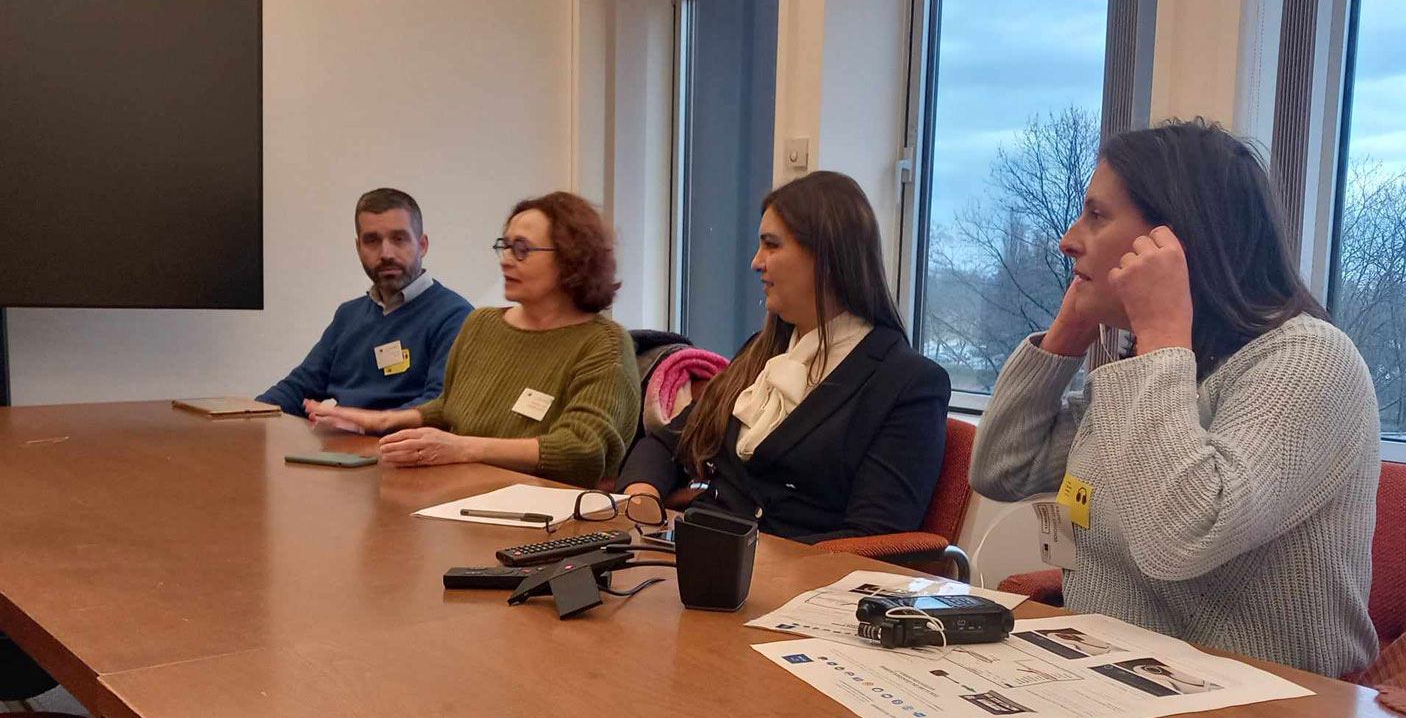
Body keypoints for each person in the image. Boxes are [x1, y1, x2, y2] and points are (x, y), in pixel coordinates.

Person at [970, 119, 1381, 678]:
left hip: (1264, 713)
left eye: (1096, 215)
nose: (1068, 240)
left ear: (1173, 242)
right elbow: (1002, 469)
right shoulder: (1157, 371)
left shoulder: (1309, 359)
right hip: (1111, 680)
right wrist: (1064, 342)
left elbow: (1182, 537)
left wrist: (1160, 336)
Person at [617, 170, 950, 543]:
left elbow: (871, 540)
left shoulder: (908, 383)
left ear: (825, 256)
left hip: (795, 588)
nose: (756, 262)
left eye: (772, 245)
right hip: (702, 564)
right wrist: (642, 498)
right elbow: (665, 444)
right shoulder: (761, 353)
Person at [312, 191, 639, 488]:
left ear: (571, 257)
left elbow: (581, 449)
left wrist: (463, 448)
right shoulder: (482, 324)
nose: (506, 259)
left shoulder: (604, 343)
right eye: (505, 246)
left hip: (550, 516)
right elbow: (451, 406)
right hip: (465, 496)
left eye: (522, 249)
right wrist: (384, 419)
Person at [257, 188, 472, 416]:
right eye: (372, 241)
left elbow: (440, 404)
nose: (386, 253)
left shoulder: (456, 316)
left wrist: (362, 423)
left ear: (422, 245)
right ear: (359, 248)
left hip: (400, 448)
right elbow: (297, 389)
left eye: (398, 239)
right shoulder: (349, 315)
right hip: (337, 446)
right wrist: (246, 413)